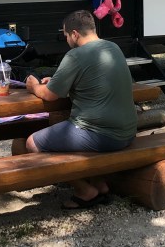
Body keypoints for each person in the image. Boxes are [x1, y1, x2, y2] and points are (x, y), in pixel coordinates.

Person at [23, 10, 137, 209]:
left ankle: (85, 190)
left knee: (32, 143)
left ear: (75, 34)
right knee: (77, 133)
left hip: (103, 134)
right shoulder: (113, 47)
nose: (66, 40)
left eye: (66, 35)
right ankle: (99, 184)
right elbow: (91, 78)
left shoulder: (75, 55)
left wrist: (33, 86)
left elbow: (49, 95)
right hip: (128, 131)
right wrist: (58, 81)